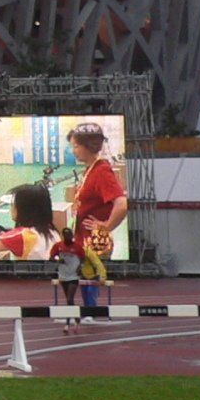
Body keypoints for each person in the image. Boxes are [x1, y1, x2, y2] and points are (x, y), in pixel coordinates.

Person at [67, 122, 126, 312]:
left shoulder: (101, 171)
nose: (73, 151)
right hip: (84, 239)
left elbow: (121, 203)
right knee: (84, 276)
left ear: (88, 146)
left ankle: (90, 312)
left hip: (93, 240)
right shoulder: (90, 170)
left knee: (89, 276)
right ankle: (88, 311)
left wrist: (106, 226)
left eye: (76, 146)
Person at [0, 183, 63, 262]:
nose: (12, 208)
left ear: (24, 209)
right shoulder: (51, 231)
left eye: (13, 204)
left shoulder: (23, 236)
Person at [52, 228, 84, 334]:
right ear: (63, 236)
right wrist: (58, 259)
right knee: (69, 300)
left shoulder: (77, 247)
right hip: (63, 275)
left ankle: (67, 324)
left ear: (72, 235)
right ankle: (76, 317)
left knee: (70, 299)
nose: (68, 237)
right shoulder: (58, 246)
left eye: (69, 235)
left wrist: (80, 267)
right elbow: (51, 256)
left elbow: (83, 258)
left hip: (73, 276)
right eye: (65, 235)